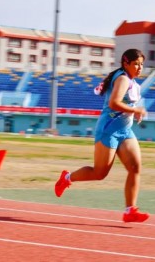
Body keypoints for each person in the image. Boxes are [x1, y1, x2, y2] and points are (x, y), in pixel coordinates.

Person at [55, 48, 149, 223]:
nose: (139, 67)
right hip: (108, 131)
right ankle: (67, 178)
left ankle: (130, 210)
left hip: (125, 131)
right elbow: (114, 103)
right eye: (136, 64)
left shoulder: (133, 83)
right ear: (125, 63)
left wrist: (134, 113)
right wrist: (135, 109)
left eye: (142, 64)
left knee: (135, 168)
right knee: (99, 173)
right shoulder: (122, 79)